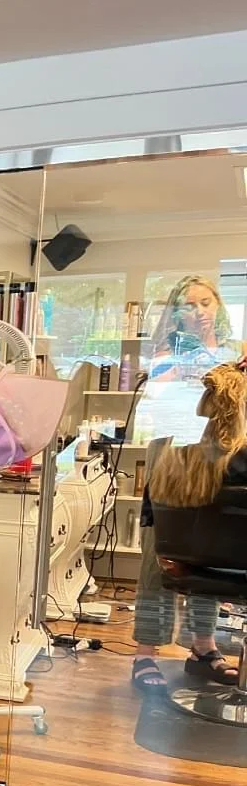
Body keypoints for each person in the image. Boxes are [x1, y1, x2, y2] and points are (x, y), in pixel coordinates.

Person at [132, 277, 244, 693]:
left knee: (209, 556)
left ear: (218, 306)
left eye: (204, 302)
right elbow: (158, 406)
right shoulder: (164, 355)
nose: (197, 311)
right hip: (171, 466)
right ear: (174, 313)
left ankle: (203, 649)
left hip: (217, 465)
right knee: (158, 558)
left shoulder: (236, 354)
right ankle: (146, 652)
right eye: (186, 305)